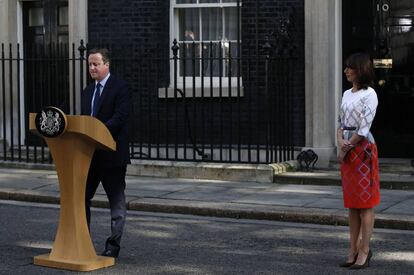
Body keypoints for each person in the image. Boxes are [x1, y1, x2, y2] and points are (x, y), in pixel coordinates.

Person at [81, 48, 131, 258]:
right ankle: (82, 241)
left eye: (96, 64)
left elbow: (120, 117)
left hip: (112, 156)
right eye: (90, 64)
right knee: (81, 198)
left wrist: (98, 132)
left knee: (116, 203)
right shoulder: (87, 91)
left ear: (106, 65)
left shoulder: (120, 87)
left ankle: (113, 245)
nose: (92, 68)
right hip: (90, 156)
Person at [337, 52, 380, 269]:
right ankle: (352, 248)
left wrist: (346, 147)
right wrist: (339, 142)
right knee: (352, 205)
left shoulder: (370, 94)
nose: (345, 70)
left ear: (359, 70)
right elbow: (341, 121)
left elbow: (363, 128)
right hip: (347, 148)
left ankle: (365, 249)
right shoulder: (346, 94)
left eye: (349, 67)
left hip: (363, 152)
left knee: (365, 204)